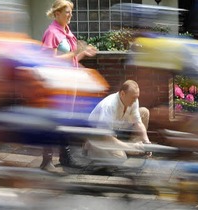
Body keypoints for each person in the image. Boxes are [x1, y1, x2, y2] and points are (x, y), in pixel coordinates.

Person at [39, 0, 98, 171]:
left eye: (71, 12)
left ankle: (65, 157)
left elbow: (71, 59)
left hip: (69, 82)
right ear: (56, 13)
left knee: (66, 120)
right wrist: (74, 53)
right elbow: (48, 60)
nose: (70, 15)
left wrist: (82, 54)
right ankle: (47, 161)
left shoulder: (66, 31)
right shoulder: (52, 32)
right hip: (57, 84)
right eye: (67, 12)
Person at [85, 80, 151, 159]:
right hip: (100, 135)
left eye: (136, 97)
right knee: (120, 158)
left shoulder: (134, 100)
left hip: (116, 129)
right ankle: (91, 147)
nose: (135, 101)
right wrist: (130, 147)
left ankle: (130, 148)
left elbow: (138, 123)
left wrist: (147, 142)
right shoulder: (109, 106)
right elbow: (106, 136)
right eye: (133, 98)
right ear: (122, 94)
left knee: (144, 112)